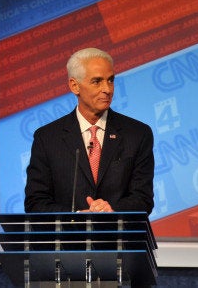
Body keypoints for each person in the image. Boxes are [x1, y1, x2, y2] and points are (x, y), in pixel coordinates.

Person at [25, 48, 154, 214]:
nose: (107, 89)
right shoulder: (47, 138)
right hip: (70, 238)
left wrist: (112, 210)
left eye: (110, 80)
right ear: (74, 86)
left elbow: (143, 199)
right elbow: (35, 203)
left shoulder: (137, 134)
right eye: (97, 81)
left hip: (118, 237)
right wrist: (77, 217)